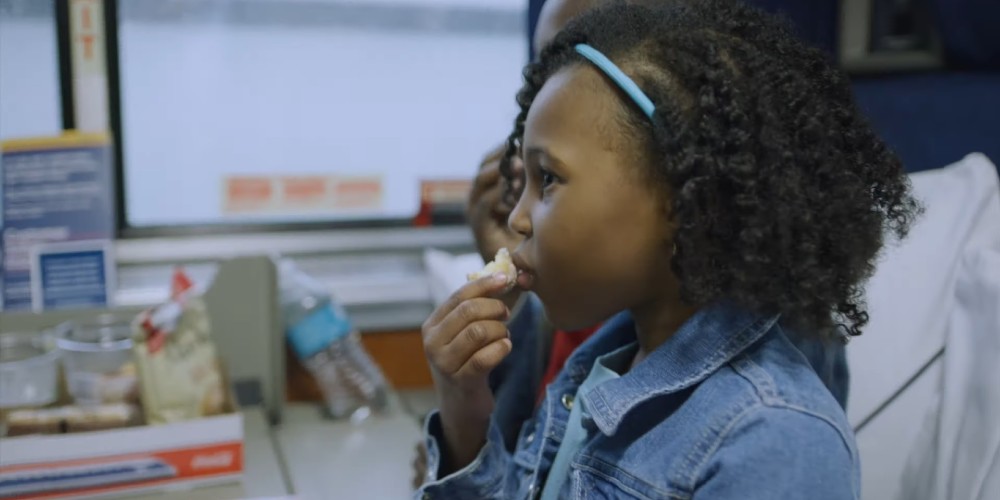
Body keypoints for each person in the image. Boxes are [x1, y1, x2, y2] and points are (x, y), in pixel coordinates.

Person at [417, 0, 920, 497]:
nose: (515, 220)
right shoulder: (596, 373)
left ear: (685, 197)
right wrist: (464, 410)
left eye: (547, 178)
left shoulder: (774, 439)